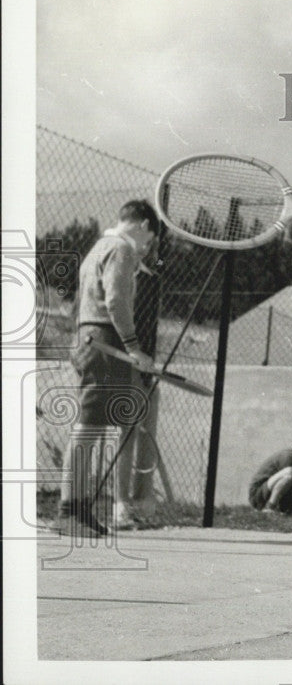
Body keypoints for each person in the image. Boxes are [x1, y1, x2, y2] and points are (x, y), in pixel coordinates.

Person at [56, 199, 159, 535]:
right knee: (87, 428)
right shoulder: (121, 248)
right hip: (103, 340)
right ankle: (69, 512)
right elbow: (114, 301)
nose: (146, 248)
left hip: (91, 338)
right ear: (143, 225)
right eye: (149, 240)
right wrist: (133, 347)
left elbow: (80, 304)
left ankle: (79, 511)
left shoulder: (99, 247)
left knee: (93, 426)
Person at [249, 433, 292, 514]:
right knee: (290, 473)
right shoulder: (287, 457)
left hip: (268, 490)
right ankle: (270, 507)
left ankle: (283, 508)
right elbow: (290, 488)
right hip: (258, 496)